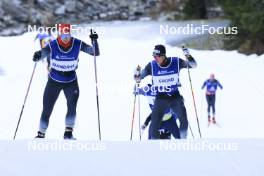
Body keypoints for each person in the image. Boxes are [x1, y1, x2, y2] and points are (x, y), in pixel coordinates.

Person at [33, 23, 100, 139]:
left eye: (67, 34)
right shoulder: (52, 45)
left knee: (72, 106)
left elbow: (95, 52)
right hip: (54, 81)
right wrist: (38, 55)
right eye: (63, 34)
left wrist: (94, 41)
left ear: (70, 33)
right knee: (47, 108)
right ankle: (40, 134)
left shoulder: (77, 43)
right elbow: (42, 55)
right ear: (59, 34)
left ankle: (68, 133)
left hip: (71, 81)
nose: (65, 38)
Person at [134, 44, 197, 139]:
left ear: (163, 55)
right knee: (154, 126)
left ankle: (183, 143)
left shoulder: (176, 62)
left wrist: (188, 56)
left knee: (184, 120)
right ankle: (156, 147)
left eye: (157, 56)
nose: (155, 58)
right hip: (161, 98)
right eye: (154, 56)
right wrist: (137, 74)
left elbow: (193, 65)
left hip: (175, 97)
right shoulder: (151, 66)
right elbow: (138, 79)